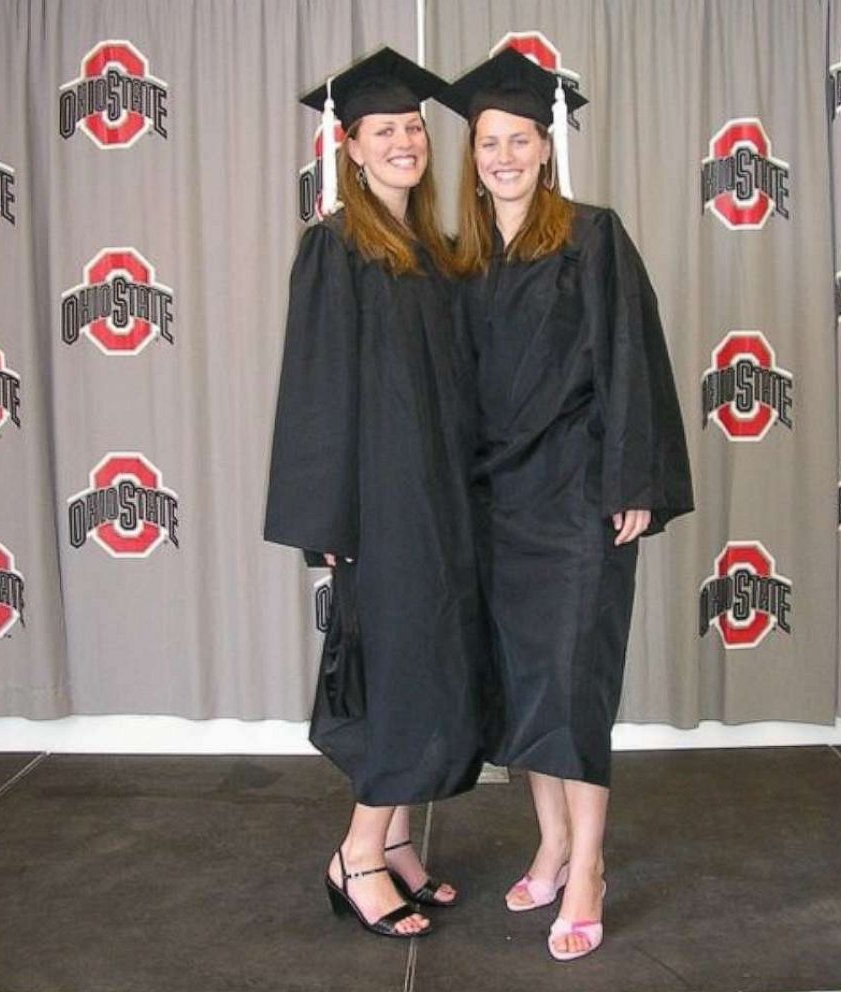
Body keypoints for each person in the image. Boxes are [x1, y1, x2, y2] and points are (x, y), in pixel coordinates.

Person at [438, 47, 694, 961]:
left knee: (573, 688)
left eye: (518, 139)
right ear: (472, 156)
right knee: (521, 689)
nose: (501, 156)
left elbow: (631, 362)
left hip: (578, 501)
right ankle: (547, 842)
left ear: (546, 148)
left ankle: (585, 867)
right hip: (493, 507)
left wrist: (633, 485)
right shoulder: (459, 259)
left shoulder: (590, 236)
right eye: (486, 143)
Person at [264, 47, 488, 939]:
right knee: (401, 676)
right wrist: (328, 519)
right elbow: (315, 390)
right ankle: (356, 854)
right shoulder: (336, 249)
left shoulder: (434, 254)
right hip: (384, 508)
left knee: (438, 668)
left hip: (443, 502)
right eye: (382, 131)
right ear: (347, 147)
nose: (403, 141)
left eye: (412, 128)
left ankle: (394, 844)